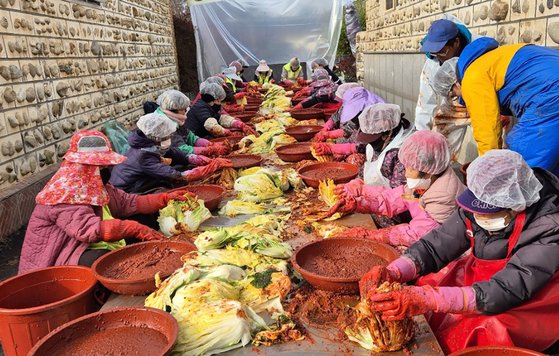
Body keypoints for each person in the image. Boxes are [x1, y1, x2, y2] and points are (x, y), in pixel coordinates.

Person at [361, 150, 559, 353]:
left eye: (486, 212)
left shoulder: (549, 229)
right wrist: (396, 271)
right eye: (475, 209)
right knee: (427, 284)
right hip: (488, 281)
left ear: (515, 206)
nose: (476, 215)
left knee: (490, 328)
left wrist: (429, 299)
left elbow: (506, 290)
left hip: (532, 298)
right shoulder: (480, 203)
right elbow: (436, 245)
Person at [17, 130, 196, 273]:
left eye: (105, 166)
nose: (105, 170)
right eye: (100, 167)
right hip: (58, 258)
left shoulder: (95, 186)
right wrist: (134, 228)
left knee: (143, 220)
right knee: (100, 261)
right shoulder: (62, 194)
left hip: (82, 245)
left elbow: (127, 202)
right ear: (84, 167)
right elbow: (89, 229)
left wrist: (164, 198)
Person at [435, 37, 559, 176]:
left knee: (523, 167)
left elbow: (487, 133)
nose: (458, 99)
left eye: (454, 95)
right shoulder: (489, 59)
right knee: (553, 162)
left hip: (551, 94)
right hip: (550, 89)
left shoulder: (471, 78)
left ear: (456, 82)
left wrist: (488, 173)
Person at [328, 131, 465, 248]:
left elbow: (416, 234)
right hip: (425, 235)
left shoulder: (443, 195)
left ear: (428, 171)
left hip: (444, 247)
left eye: (411, 169)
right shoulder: (427, 182)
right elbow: (395, 199)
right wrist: (358, 204)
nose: (406, 174)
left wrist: (370, 235)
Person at [110, 112, 232, 193]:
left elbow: (179, 155)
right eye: (167, 137)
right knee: (168, 188)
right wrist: (212, 167)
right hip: (129, 190)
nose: (169, 139)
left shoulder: (152, 145)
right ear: (156, 138)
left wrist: (205, 160)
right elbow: (177, 176)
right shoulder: (143, 156)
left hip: (140, 180)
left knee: (185, 166)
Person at [415, 17, 473, 131]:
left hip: (481, 102)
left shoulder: (475, 54)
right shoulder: (432, 64)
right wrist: (420, 135)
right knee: (440, 126)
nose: (438, 56)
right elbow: (425, 104)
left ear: (456, 43)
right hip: (455, 107)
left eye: (441, 51)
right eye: (434, 52)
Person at [154, 90, 228, 158]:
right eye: (183, 109)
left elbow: (190, 136)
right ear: (174, 109)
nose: (185, 112)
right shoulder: (164, 125)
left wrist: (209, 144)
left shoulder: (176, 120)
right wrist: (208, 150)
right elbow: (181, 149)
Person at [186, 83, 256, 139]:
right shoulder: (201, 107)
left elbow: (220, 118)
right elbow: (210, 125)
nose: (220, 104)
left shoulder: (208, 106)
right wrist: (228, 133)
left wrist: (239, 124)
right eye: (219, 101)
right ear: (214, 99)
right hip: (193, 138)